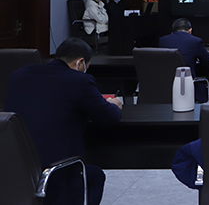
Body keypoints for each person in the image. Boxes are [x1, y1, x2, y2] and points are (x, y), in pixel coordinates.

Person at [4, 38, 123, 205]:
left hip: (15, 172)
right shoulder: (79, 81)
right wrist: (115, 104)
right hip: (54, 173)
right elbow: (108, 116)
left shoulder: (18, 75)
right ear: (80, 63)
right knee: (95, 177)